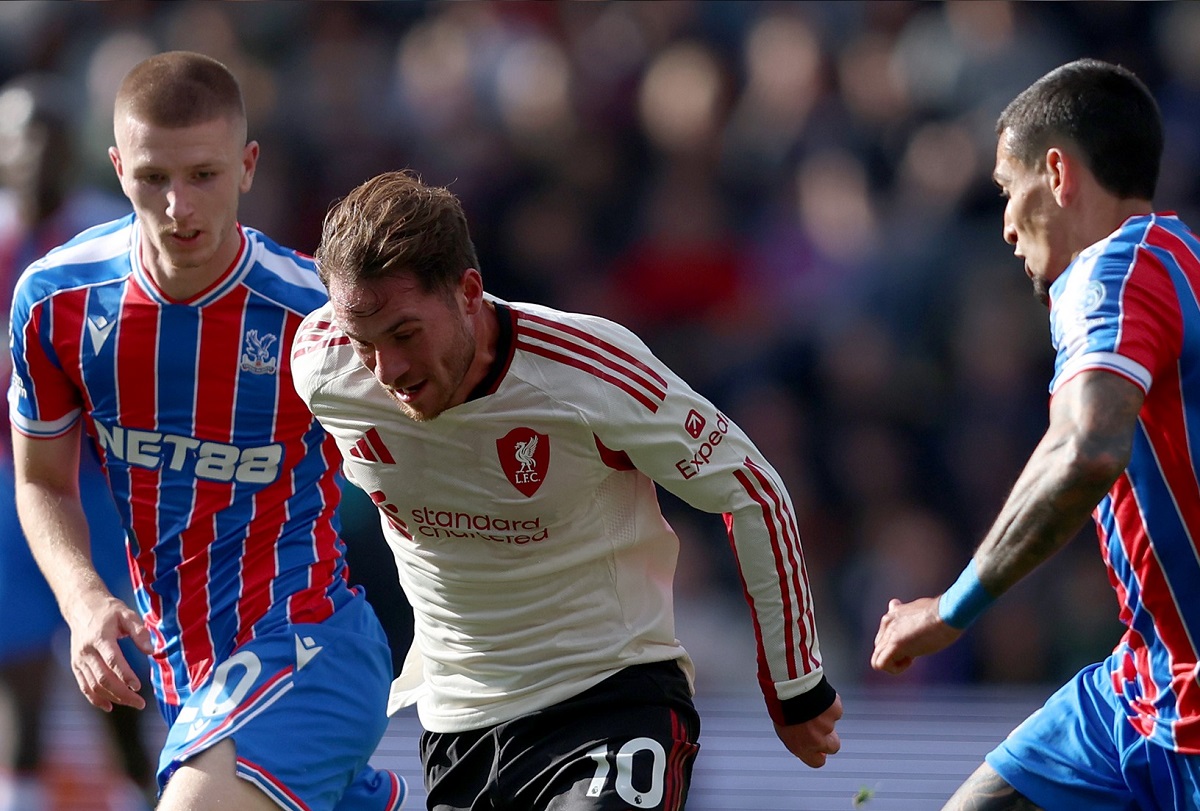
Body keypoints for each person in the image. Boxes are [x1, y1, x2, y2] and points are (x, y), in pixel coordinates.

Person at [291, 168, 844, 810]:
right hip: (457, 726)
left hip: (611, 697)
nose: (387, 370)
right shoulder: (324, 368)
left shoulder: (583, 371)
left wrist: (795, 681)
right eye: (365, 343)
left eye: (406, 334)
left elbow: (753, 489)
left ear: (468, 291)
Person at [8, 51, 406, 810]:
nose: (178, 206)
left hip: (310, 641)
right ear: (119, 166)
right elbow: (41, 479)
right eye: (153, 177)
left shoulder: (315, 315)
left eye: (204, 175)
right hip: (187, 672)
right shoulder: (57, 302)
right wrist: (84, 598)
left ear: (248, 166)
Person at [872, 58, 1200, 811]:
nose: (1006, 224)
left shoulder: (1117, 268)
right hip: (1139, 683)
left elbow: (1086, 449)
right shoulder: (1176, 260)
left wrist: (949, 608)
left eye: (1005, 189)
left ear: (1056, 173)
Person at [0, 72, 156, 811]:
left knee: (118, 652)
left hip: (103, 479)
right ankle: (23, 792)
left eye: (50, 135)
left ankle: (138, 791)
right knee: (18, 664)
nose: (36, 151)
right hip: (11, 473)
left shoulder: (112, 238)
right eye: (21, 135)